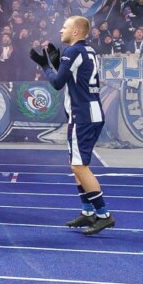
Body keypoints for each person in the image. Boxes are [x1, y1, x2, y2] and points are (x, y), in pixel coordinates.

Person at [31, 15, 114, 235]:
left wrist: (46, 66)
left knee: (79, 166)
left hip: (83, 115)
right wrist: (58, 62)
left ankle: (103, 215)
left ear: (76, 32)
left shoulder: (74, 51)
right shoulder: (89, 51)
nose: (61, 30)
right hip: (90, 112)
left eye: (65, 27)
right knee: (75, 164)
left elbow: (58, 83)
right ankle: (88, 212)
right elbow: (74, 77)